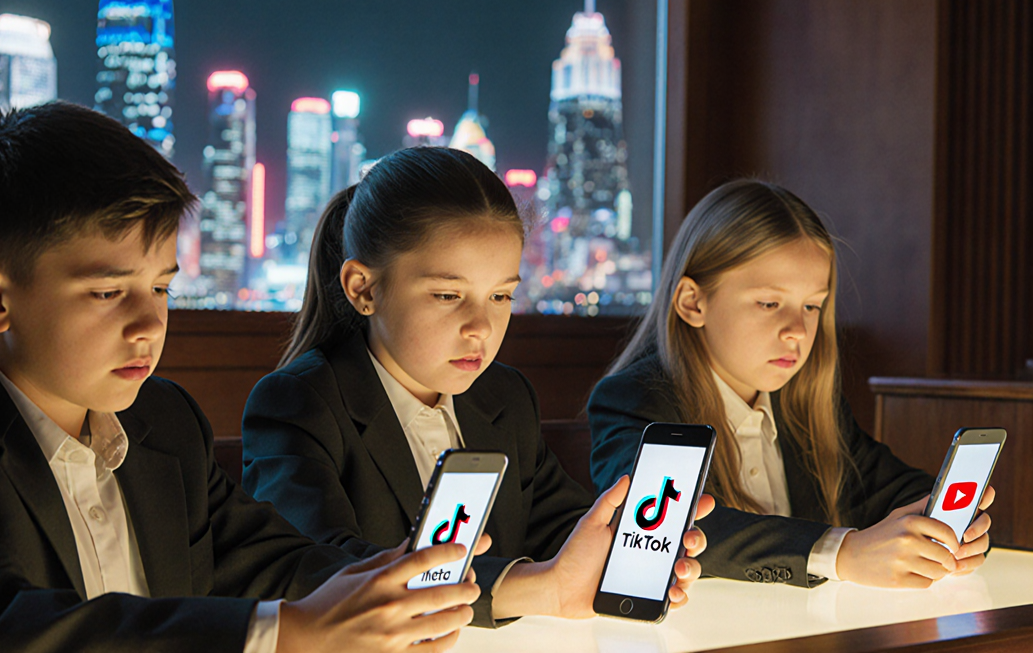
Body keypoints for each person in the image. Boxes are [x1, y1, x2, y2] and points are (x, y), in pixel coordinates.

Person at [0, 103, 484, 653]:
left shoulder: (163, 421)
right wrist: (283, 633)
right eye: (109, 291)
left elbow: (270, 558)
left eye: (162, 287)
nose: (149, 325)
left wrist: (393, 583)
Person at [242, 146, 712, 623]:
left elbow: (560, 526)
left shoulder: (504, 397)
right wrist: (532, 589)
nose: (481, 328)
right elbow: (325, 569)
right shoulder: (298, 403)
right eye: (449, 295)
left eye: (501, 295)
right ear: (363, 288)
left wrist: (629, 547)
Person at [588, 179, 994, 590]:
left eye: (812, 306)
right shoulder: (636, 402)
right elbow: (665, 531)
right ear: (693, 303)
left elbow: (890, 486)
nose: (797, 331)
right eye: (769, 303)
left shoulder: (806, 403)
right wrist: (843, 553)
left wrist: (947, 525)